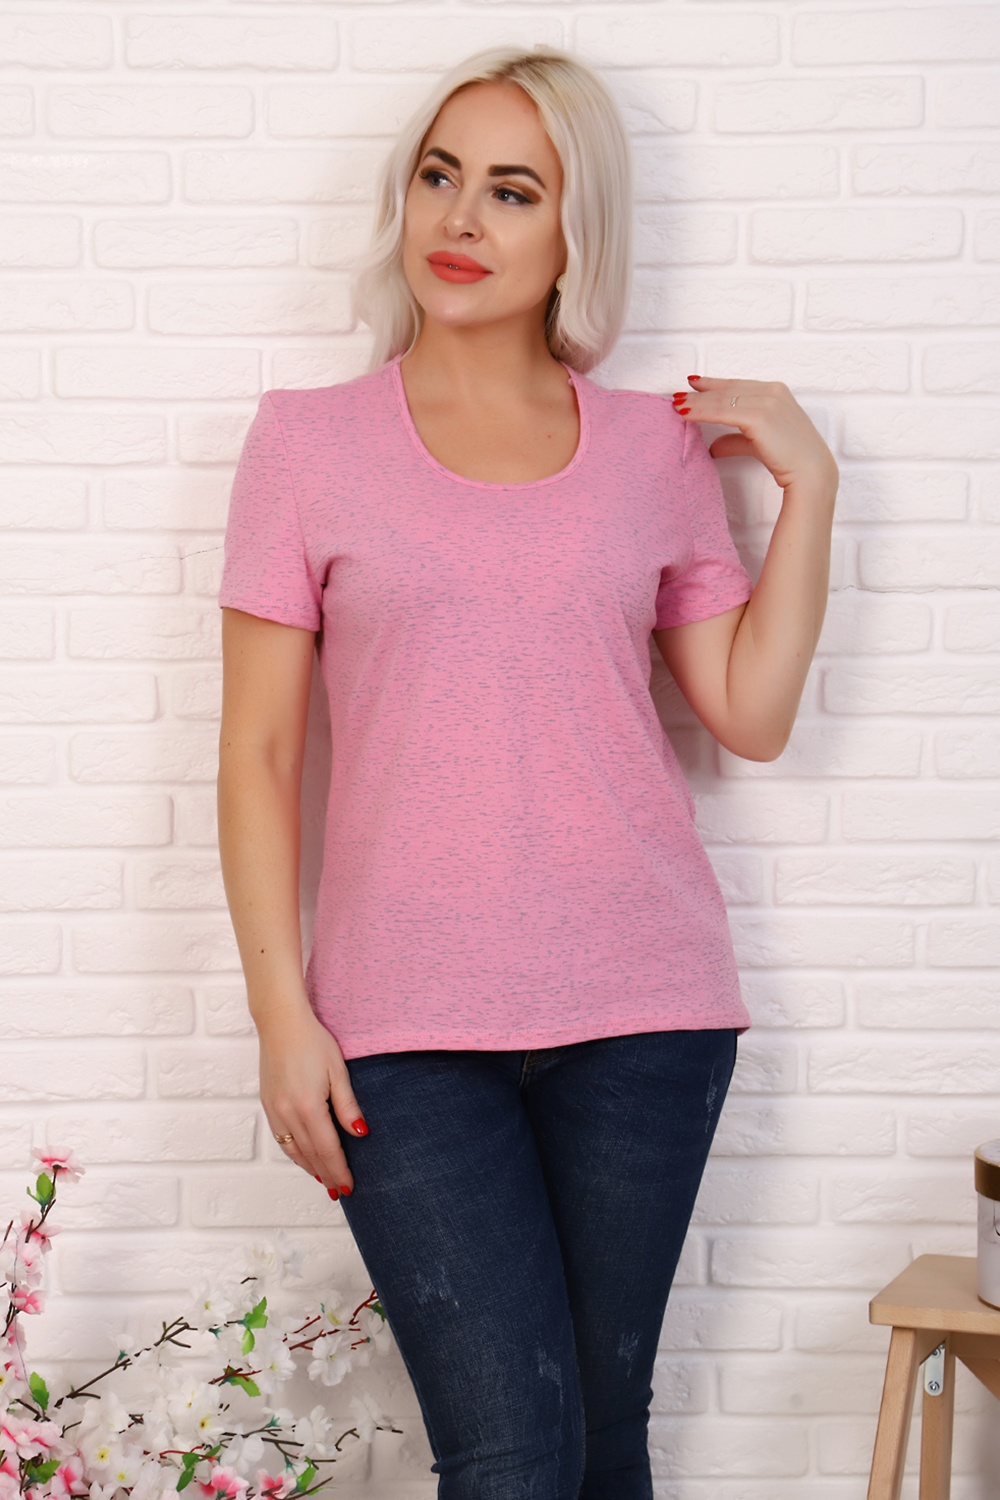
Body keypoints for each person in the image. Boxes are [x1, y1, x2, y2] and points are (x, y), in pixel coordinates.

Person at [216, 46, 837, 1500]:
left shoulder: (649, 451)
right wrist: (280, 1015)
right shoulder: (306, 444)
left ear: (575, 233)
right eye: (442, 176)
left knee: (602, 1451)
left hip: (647, 1015)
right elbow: (257, 752)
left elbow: (748, 713)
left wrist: (811, 483)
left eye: (513, 190)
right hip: (402, 1035)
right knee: (511, 1463)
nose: (462, 218)